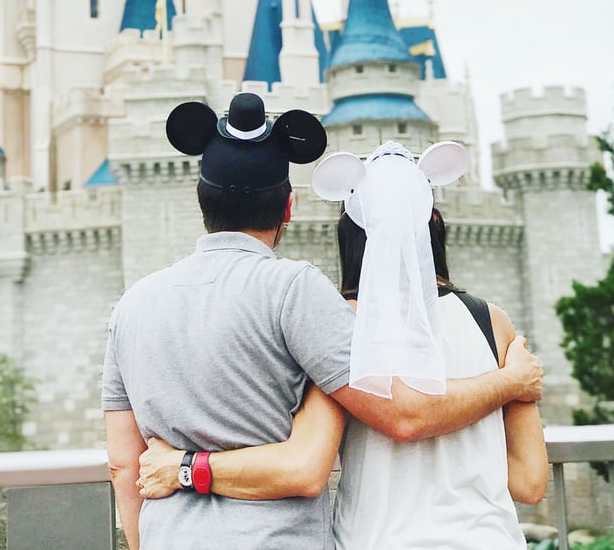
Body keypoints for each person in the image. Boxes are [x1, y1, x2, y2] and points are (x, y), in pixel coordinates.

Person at [104, 102, 543, 550]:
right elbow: (379, 429)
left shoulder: (130, 307)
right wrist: (510, 382)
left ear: (201, 199)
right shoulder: (296, 291)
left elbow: (123, 465)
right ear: (288, 208)